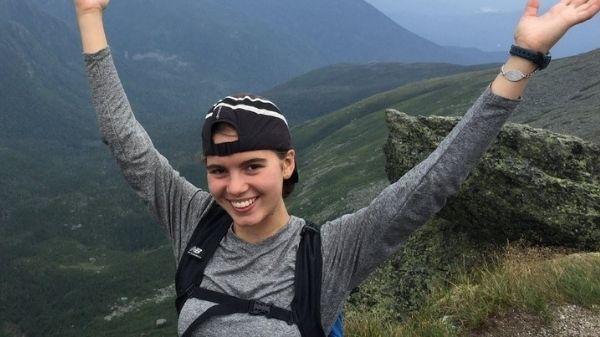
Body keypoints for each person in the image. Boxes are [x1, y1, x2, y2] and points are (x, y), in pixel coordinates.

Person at [73, 0, 600, 336]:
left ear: (286, 162)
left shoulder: (330, 254)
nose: (234, 188)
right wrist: (89, 14)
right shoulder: (195, 224)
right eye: (218, 170)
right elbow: (124, 139)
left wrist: (522, 59)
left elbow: (436, 178)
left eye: (251, 165)